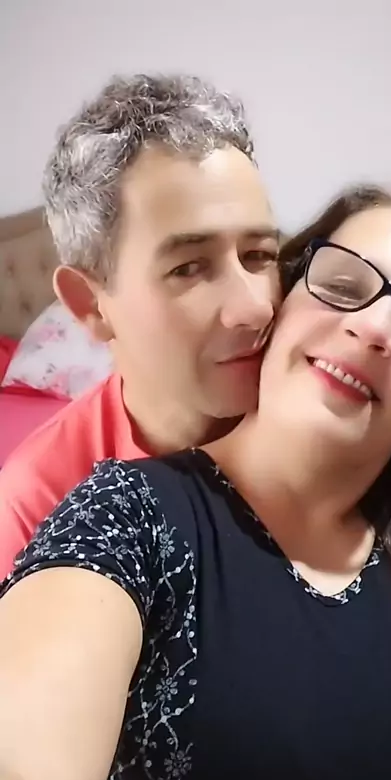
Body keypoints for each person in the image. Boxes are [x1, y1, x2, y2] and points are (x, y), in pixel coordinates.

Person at [2, 181, 391, 780]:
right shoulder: (127, 517)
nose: (373, 329)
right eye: (343, 284)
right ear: (283, 304)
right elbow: (22, 771)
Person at [0, 72, 281, 579]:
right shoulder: (40, 502)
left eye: (259, 255)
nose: (255, 308)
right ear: (91, 304)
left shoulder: (318, 416)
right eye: (188, 268)